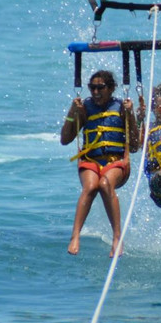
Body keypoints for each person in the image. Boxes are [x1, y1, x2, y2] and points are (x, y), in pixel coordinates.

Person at [60, 70, 138, 258]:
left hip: (116, 162)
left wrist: (131, 115)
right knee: (91, 186)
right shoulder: (84, 108)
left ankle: (117, 238)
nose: (95, 92)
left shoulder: (121, 107)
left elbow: (135, 146)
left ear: (111, 88)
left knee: (104, 184)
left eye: (100, 88)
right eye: (92, 87)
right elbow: (65, 139)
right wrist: (72, 113)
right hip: (91, 160)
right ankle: (75, 235)